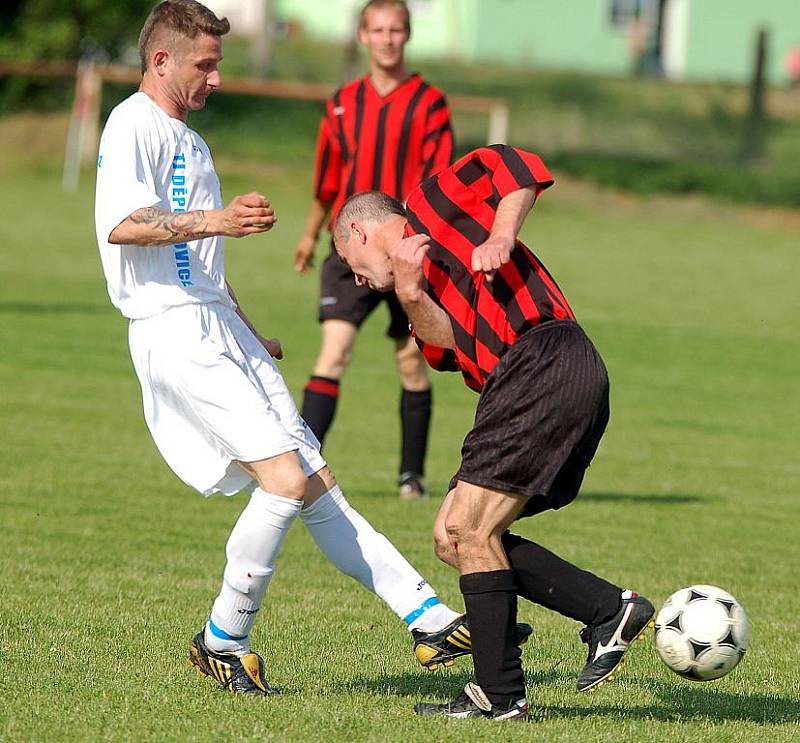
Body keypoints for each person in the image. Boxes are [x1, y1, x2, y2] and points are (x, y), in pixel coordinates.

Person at [93, 0, 528, 698]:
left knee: (316, 480)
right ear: (162, 60)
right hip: (171, 326)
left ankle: (430, 617)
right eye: (206, 65)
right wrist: (220, 219)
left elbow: (199, 263)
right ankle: (223, 638)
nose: (217, 79)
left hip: (214, 324)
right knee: (286, 481)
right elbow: (121, 223)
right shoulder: (132, 123)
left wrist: (243, 323)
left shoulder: (193, 143)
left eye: (220, 65)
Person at [333, 145, 655, 721]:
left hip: (544, 358)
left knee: (467, 529)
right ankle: (607, 608)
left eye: (354, 267)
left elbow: (518, 166)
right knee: (453, 536)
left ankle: (501, 695)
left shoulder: (430, 202)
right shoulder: (414, 289)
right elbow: (449, 348)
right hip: (525, 381)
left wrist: (502, 234)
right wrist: (410, 292)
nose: (360, 280)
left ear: (359, 230)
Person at [293, 0, 454, 500]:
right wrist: (309, 233)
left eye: (396, 30)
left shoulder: (429, 104)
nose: (387, 39)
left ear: (407, 36)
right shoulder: (343, 103)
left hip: (407, 253)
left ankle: (411, 476)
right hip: (350, 252)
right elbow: (328, 179)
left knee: (411, 360)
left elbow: (442, 185)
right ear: (363, 36)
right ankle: (300, 463)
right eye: (377, 30)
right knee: (334, 352)